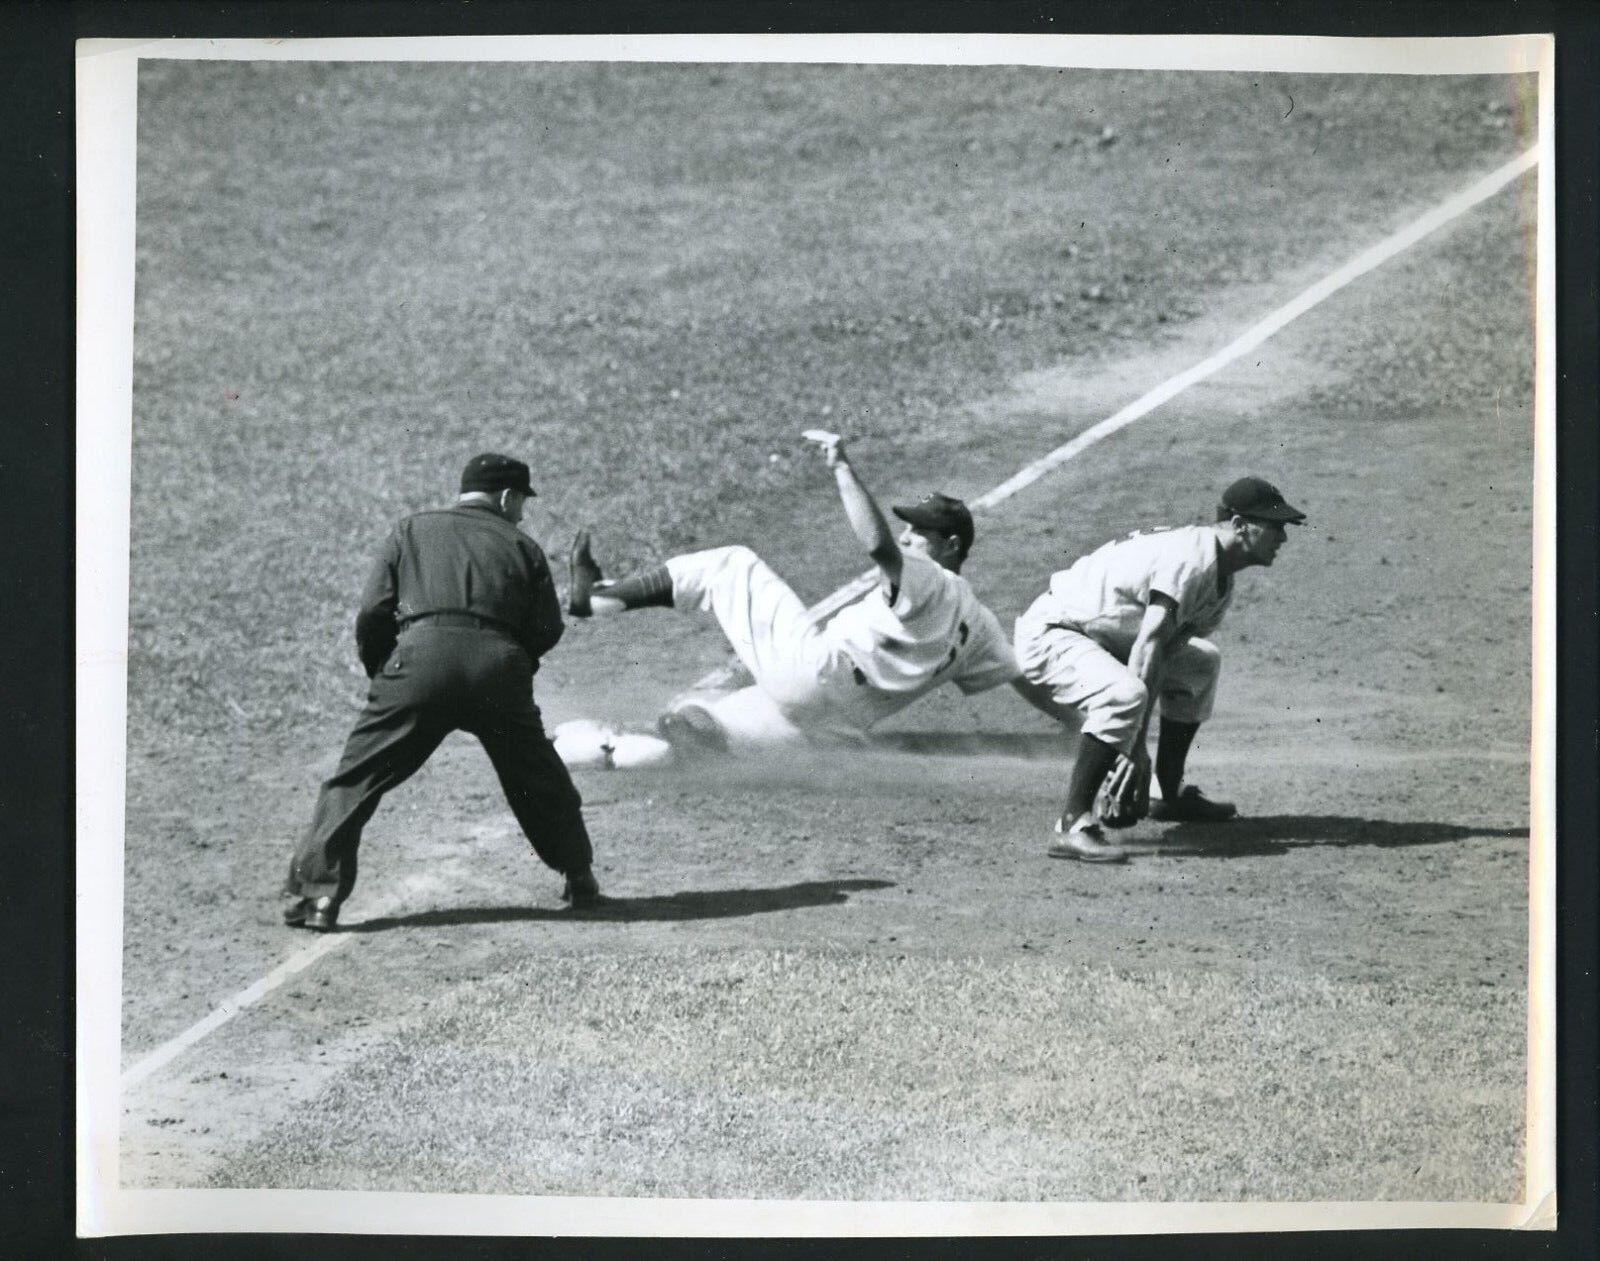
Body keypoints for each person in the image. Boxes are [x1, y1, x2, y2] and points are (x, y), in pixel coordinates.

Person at [565, 435, 1056, 751]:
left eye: (919, 532)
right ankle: (614, 755)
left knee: (732, 564)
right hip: (832, 730)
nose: (908, 538)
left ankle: (597, 598)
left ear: (950, 545)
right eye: (908, 529)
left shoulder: (931, 577)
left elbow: (877, 543)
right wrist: (1089, 730)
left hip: (812, 674)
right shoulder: (982, 626)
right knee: (700, 729)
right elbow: (1023, 678)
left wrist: (843, 468)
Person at [281, 453, 601, 931]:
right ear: (507, 497)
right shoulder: (523, 545)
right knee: (537, 772)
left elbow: (373, 611)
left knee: (355, 779)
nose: (522, 512)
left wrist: (385, 672)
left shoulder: (410, 530)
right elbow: (547, 628)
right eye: (521, 502)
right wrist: (511, 663)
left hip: (417, 664)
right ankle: (579, 877)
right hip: (496, 668)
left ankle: (318, 899)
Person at [1013, 476, 1306, 863]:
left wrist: (1139, 752)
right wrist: (1133, 752)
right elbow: (1148, 645)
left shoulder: (1218, 578)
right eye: (1274, 526)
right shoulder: (1193, 561)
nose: (1282, 537)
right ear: (1238, 525)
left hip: (1100, 636)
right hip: (1054, 632)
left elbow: (1162, 654)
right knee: (1124, 695)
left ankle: (1165, 794)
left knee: (1200, 664)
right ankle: (1072, 825)